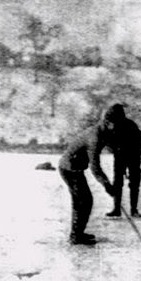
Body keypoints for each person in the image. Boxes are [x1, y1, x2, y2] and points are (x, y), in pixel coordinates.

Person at [57, 105, 120, 245]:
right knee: (83, 201)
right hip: (69, 168)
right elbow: (95, 166)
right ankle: (75, 236)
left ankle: (77, 233)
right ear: (108, 122)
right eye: (116, 124)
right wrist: (106, 184)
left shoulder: (105, 131)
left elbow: (113, 143)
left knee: (83, 201)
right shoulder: (95, 137)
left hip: (75, 168)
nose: (117, 128)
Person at [105, 104, 141, 218]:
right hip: (128, 158)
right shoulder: (131, 124)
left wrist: (132, 152)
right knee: (130, 184)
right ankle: (131, 210)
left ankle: (120, 209)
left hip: (128, 158)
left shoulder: (116, 126)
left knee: (121, 184)